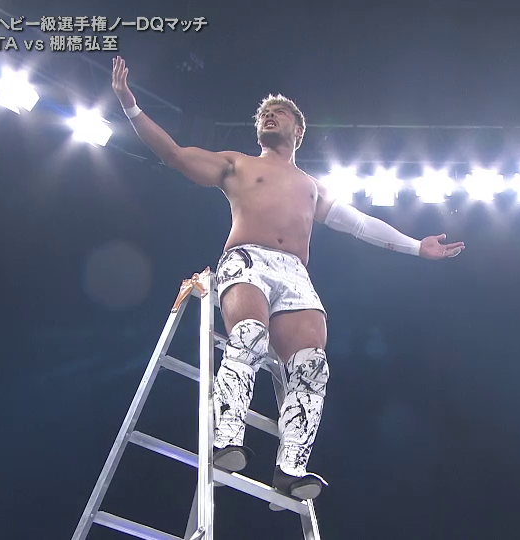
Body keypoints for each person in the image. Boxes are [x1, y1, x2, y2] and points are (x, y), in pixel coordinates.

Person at [111, 56, 465, 501]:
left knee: (313, 365)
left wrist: (416, 246)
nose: (268, 116)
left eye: (277, 113)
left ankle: (291, 469)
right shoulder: (238, 164)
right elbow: (175, 155)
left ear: (298, 130)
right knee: (248, 337)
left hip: (295, 273)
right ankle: (226, 439)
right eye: (263, 114)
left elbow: (360, 224)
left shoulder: (311, 186)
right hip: (247, 261)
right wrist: (129, 105)